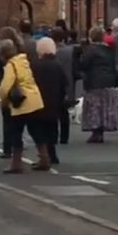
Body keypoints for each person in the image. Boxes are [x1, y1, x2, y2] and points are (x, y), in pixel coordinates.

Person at [0, 38, 45, 174]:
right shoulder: (23, 61)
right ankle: (44, 158)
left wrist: (4, 102)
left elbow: (5, 87)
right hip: (35, 99)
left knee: (16, 133)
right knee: (36, 131)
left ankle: (16, 164)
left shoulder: (10, 66)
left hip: (21, 102)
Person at [31, 37, 68, 168]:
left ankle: (44, 155)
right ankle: (52, 154)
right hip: (54, 102)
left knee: (38, 129)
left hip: (38, 102)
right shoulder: (58, 65)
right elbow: (64, 84)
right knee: (52, 128)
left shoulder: (35, 65)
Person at [80, 26, 118, 143]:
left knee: (94, 107)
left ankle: (95, 132)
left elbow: (84, 64)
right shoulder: (109, 49)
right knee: (104, 107)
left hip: (94, 81)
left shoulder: (90, 50)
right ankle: (101, 130)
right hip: (108, 80)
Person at [0, 27, 24, 159]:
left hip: (9, 87)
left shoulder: (4, 55)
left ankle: (8, 148)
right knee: (19, 120)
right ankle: (17, 146)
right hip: (21, 87)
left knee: (7, 119)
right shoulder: (21, 51)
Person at [52, 27, 76, 144]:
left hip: (53, 82)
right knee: (64, 112)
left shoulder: (51, 52)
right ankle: (64, 137)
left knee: (52, 111)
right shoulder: (69, 51)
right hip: (67, 82)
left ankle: (54, 135)